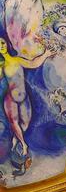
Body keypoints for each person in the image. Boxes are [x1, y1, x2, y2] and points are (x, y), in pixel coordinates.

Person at [0, 38, 54, 166]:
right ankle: (24, 145)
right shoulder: (1, 66)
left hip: (24, 98)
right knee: (14, 122)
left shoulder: (17, 60)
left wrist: (46, 54)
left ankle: (15, 139)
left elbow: (33, 63)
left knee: (25, 123)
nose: (1, 46)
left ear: (7, 44)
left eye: (2, 42)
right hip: (11, 99)